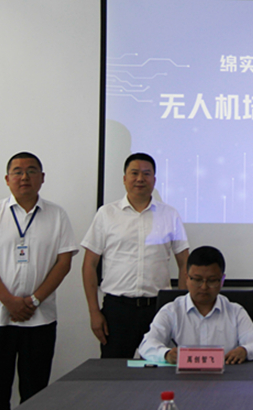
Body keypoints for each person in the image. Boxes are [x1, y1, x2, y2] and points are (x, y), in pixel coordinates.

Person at [0, 152, 77, 410]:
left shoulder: (57, 215)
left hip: (39, 318)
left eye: (31, 171)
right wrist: (10, 302)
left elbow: (63, 263)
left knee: (36, 394)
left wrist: (34, 300)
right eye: (17, 171)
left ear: (42, 177)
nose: (24, 177)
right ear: (7, 179)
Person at [81, 152, 190, 358]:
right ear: (124, 179)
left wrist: (180, 305)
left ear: (154, 180)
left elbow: (185, 262)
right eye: (134, 173)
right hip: (117, 309)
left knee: (160, 367)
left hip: (158, 308)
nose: (140, 178)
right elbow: (89, 264)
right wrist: (94, 311)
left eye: (146, 174)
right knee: (115, 370)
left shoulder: (169, 214)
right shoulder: (107, 213)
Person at [139, 245, 253, 364]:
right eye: (197, 280)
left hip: (226, 379)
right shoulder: (171, 311)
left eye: (212, 280)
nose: (204, 287)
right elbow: (146, 345)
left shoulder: (235, 312)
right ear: (186, 277)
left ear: (222, 280)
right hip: (180, 380)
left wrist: (245, 351)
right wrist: (166, 354)